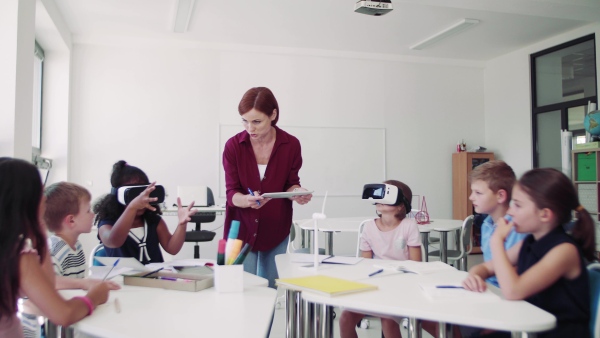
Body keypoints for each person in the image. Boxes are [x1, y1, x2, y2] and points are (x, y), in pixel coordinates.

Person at [463, 168, 595, 338]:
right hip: (528, 325)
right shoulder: (529, 241)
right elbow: (485, 268)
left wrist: (497, 242)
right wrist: (475, 275)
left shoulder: (564, 251)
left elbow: (513, 291)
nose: (510, 212)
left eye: (517, 205)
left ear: (545, 214)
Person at [0, 157, 111, 338]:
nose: (44, 199)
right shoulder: (18, 255)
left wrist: (39, 229)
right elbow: (63, 314)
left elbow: (47, 285)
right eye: (40, 193)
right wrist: (94, 297)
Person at [222, 87, 312, 288]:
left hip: (275, 228)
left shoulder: (291, 145)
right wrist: (246, 200)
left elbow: (290, 184)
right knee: (236, 291)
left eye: (256, 121)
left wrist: (297, 193)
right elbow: (231, 193)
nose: (249, 128)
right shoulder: (233, 146)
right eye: (244, 120)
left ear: (273, 115)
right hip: (240, 229)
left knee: (268, 291)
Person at [21, 182, 121, 338]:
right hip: (45, 324)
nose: (92, 214)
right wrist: (85, 284)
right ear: (71, 220)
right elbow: (51, 282)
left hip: (68, 315)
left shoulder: (77, 246)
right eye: (88, 210)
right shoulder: (55, 248)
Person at [339, 180, 421, 338]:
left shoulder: (409, 226)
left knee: (388, 320)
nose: (380, 199)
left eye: (387, 196)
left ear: (400, 205)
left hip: (400, 286)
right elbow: (365, 265)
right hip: (375, 284)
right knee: (345, 319)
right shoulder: (369, 227)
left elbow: (416, 265)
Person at [93, 160, 197, 264]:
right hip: (121, 278)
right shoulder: (107, 222)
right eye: (135, 194)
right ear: (119, 195)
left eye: (144, 192)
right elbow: (113, 241)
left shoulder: (153, 220)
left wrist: (182, 224)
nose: (141, 199)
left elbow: (172, 249)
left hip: (153, 278)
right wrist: (132, 208)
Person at [469, 160, 527, 287]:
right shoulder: (486, 225)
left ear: (500, 196)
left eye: (478, 193)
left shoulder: (519, 230)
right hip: (491, 289)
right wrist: (474, 277)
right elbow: (486, 268)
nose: (471, 197)